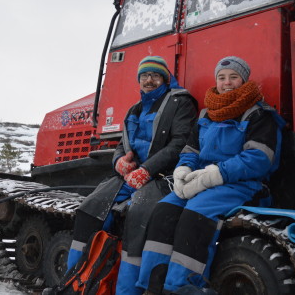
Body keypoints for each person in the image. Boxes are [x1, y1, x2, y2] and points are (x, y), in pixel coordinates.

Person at [136, 56, 285, 294]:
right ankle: (153, 286)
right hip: (202, 181)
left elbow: (259, 160)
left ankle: (182, 287)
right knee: (164, 210)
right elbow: (190, 150)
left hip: (242, 184)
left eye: (233, 77)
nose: (227, 83)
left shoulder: (259, 115)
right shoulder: (207, 114)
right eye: (222, 77)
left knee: (196, 213)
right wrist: (183, 171)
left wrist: (215, 174)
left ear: (244, 79)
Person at [66, 56, 197, 295]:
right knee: (90, 209)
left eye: (155, 75)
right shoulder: (134, 109)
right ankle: (76, 284)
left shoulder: (180, 102)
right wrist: (120, 161)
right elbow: (121, 144)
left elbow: (181, 143)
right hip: (131, 177)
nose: (149, 80)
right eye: (144, 76)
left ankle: (128, 291)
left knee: (137, 219)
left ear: (165, 79)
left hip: (162, 176)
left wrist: (147, 170)